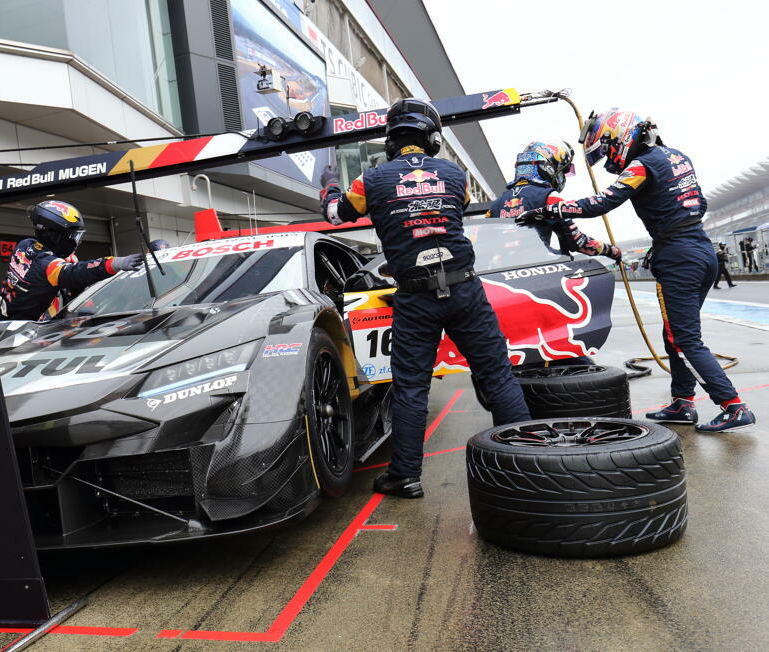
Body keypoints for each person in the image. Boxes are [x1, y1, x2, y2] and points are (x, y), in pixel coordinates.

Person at [319, 98, 531, 498]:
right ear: (431, 138)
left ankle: (405, 476)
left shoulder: (371, 179)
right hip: (465, 288)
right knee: (497, 375)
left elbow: (334, 214)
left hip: (415, 297)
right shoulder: (454, 174)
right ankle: (525, 462)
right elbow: (460, 207)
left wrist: (331, 182)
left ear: (391, 140)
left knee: (412, 388)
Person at [517, 109, 755, 432]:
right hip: (700, 250)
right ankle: (684, 403)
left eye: (606, 147)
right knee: (674, 336)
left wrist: (553, 209)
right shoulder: (677, 156)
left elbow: (603, 202)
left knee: (684, 339)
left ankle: (732, 405)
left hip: (680, 259)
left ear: (622, 135)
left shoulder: (642, 165)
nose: (608, 156)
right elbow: (699, 205)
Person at [0, 200, 144, 321]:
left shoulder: (25, 245)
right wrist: (115, 263)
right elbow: (76, 273)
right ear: (56, 235)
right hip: (13, 332)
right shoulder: (48, 266)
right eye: (74, 236)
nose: (78, 242)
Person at [486, 140, 622, 262]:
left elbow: (486, 246)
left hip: (501, 275)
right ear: (549, 168)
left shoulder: (494, 206)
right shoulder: (549, 197)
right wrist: (611, 251)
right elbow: (577, 242)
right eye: (562, 170)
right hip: (537, 271)